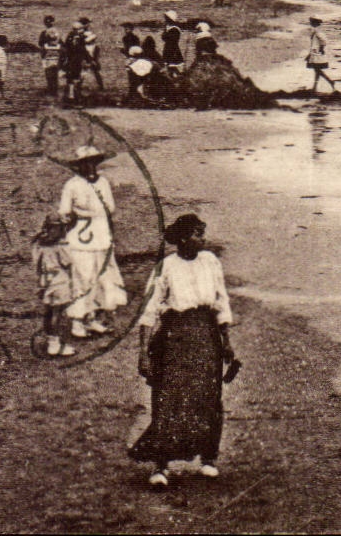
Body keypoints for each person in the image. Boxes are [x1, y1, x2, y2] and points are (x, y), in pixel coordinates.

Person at [130, 213, 235, 487]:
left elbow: (221, 301)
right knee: (167, 398)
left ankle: (208, 459)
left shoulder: (211, 262)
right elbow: (149, 311)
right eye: (198, 234)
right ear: (184, 238)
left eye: (203, 233)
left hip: (206, 337)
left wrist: (226, 341)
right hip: (173, 338)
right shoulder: (165, 267)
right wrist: (143, 353)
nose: (203, 239)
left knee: (208, 397)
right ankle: (160, 466)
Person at [56, 145, 128, 338]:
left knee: (102, 276)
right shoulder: (71, 185)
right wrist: (76, 216)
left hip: (102, 235)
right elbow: (64, 212)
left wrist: (100, 217)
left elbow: (110, 208)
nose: (89, 167)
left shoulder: (103, 182)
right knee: (83, 277)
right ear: (78, 166)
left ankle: (93, 318)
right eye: (84, 163)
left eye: (93, 162)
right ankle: (77, 321)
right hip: (81, 238)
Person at [33, 214, 76, 358]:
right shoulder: (57, 245)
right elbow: (67, 263)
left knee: (53, 312)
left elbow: (37, 263)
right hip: (55, 281)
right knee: (55, 313)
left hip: (52, 281)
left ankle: (56, 342)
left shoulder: (43, 244)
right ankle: (55, 343)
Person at [306, 16, 336, 93]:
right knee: (317, 70)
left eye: (312, 22)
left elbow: (324, 41)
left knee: (317, 70)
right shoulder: (316, 31)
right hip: (316, 52)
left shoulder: (318, 32)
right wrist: (309, 54)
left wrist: (321, 49)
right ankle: (315, 87)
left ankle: (329, 81)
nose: (311, 23)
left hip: (318, 54)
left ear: (315, 23)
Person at [61, 19, 88, 104]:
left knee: (71, 78)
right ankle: (74, 97)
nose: (82, 31)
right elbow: (83, 49)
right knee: (75, 78)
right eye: (80, 29)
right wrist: (88, 59)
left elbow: (65, 48)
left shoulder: (70, 36)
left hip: (70, 59)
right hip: (76, 60)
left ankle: (71, 96)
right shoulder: (79, 38)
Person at [38, 15, 62, 97]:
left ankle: (52, 89)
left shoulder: (45, 33)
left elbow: (40, 43)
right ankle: (53, 90)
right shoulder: (56, 32)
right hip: (53, 54)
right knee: (53, 73)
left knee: (49, 72)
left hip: (49, 54)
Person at [81, 17, 104, 92]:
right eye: (87, 24)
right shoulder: (83, 33)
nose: (88, 25)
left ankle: (100, 85)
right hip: (87, 50)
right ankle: (80, 84)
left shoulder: (87, 33)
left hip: (91, 49)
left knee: (93, 68)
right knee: (85, 69)